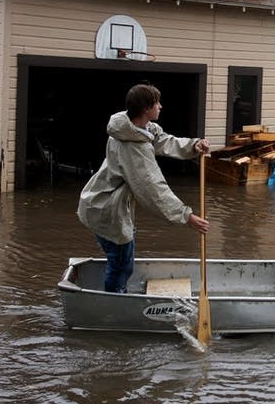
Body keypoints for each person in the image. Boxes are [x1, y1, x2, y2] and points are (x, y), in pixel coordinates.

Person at [77, 83, 210, 293]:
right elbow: (153, 190)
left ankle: (114, 297)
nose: (161, 106)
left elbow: (163, 140)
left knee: (121, 260)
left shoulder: (137, 128)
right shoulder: (132, 146)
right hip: (107, 208)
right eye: (157, 103)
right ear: (146, 109)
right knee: (122, 264)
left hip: (106, 204)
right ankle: (112, 305)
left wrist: (193, 146)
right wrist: (186, 216)